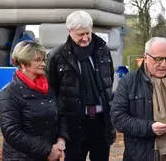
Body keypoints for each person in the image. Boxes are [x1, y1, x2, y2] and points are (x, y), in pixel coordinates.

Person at [110, 37, 166, 161]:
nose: (164, 64)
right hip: (141, 155)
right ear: (146, 57)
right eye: (158, 59)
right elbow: (118, 118)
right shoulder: (128, 82)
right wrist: (149, 128)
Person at [45, 10, 115, 161]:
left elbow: (109, 79)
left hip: (101, 123)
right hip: (73, 125)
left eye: (87, 33)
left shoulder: (103, 51)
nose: (85, 38)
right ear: (69, 32)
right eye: (80, 34)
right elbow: (52, 92)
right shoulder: (57, 56)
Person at [0, 41, 69, 161]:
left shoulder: (48, 88)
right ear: (24, 63)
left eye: (43, 59)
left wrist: (61, 141)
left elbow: (61, 114)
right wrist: (48, 150)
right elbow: (12, 133)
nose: (43, 64)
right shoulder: (8, 94)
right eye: (38, 60)